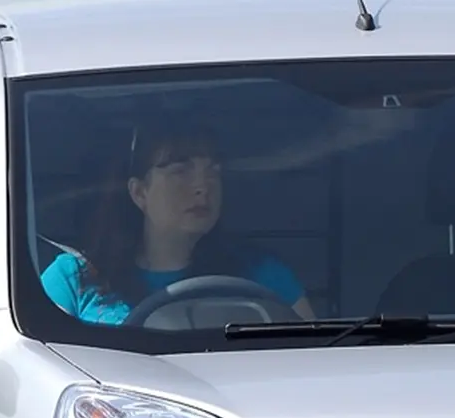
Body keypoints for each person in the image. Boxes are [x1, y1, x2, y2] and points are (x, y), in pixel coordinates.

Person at [40, 116, 313, 325]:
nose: (202, 186)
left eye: (212, 171)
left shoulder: (263, 276)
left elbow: (311, 359)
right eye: (180, 170)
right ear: (139, 192)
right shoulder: (73, 279)